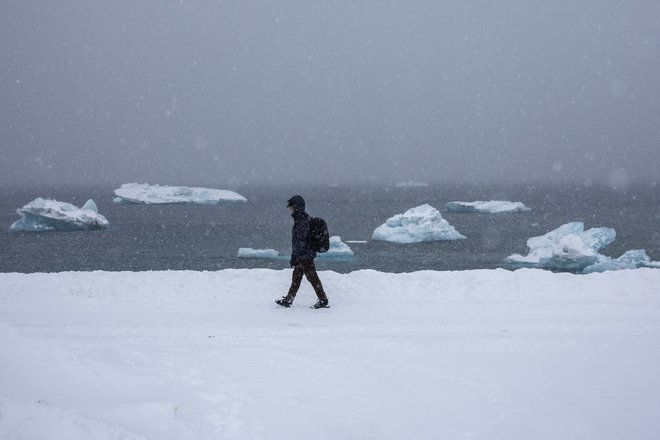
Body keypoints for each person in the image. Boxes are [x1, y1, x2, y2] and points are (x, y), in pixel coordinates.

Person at [276, 195, 329, 309]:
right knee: (297, 276)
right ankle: (289, 299)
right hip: (303, 254)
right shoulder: (301, 219)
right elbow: (298, 241)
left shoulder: (302, 221)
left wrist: (295, 256)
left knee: (312, 277)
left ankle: (323, 299)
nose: (290, 209)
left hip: (305, 256)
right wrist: (295, 256)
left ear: (297, 207)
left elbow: (301, 241)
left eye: (291, 207)